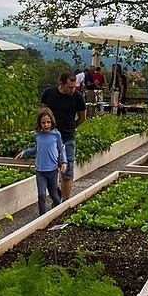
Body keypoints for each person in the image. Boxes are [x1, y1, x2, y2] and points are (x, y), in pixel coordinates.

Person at [41, 71, 87, 200]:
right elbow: (43, 113)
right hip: (49, 139)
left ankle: (65, 202)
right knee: (50, 170)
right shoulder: (49, 94)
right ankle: (56, 197)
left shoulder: (78, 97)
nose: (73, 90)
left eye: (75, 87)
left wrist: (71, 127)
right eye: (70, 87)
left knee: (67, 171)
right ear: (61, 84)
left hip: (67, 139)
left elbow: (82, 118)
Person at [15, 109, 67, 215]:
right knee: (41, 195)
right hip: (40, 170)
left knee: (54, 195)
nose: (46, 125)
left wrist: (64, 162)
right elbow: (37, 148)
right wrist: (25, 152)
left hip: (52, 169)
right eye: (43, 122)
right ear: (39, 123)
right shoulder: (37, 135)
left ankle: (58, 210)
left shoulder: (56, 134)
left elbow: (61, 149)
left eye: (48, 122)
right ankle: (41, 217)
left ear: (52, 122)